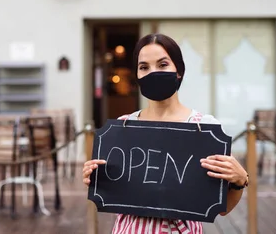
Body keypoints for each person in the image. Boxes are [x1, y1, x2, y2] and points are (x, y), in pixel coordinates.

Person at [83, 33, 248, 234]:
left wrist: (239, 182)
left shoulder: (204, 128)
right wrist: (96, 178)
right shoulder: (124, 127)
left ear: (178, 70)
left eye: (162, 64)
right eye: (144, 67)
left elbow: (221, 208)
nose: (153, 72)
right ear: (137, 75)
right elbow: (115, 194)